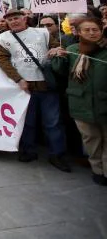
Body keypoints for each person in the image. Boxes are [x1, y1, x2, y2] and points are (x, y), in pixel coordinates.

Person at [0, 8, 70, 171]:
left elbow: (56, 47)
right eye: (10, 19)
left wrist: (57, 50)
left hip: (45, 84)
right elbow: (2, 60)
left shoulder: (42, 33)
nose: (13, 21)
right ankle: (28, 151)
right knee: (27, 122)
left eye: (16, 18)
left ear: (24, 18)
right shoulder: (3, 38)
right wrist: (18, 79)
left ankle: (57, 154)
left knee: (53, 122)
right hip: (23, 87)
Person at [51, 17, 107, 185]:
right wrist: (58, 57)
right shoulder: (72, 49)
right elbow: (60, 72)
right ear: (79, 32)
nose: (91, 33)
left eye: (95, 30)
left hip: (104, 103)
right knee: (91, 139)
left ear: (101, 30)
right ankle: (98, 170)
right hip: (81, 103)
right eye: (87, 30)